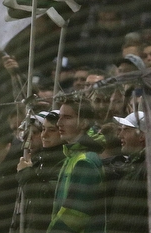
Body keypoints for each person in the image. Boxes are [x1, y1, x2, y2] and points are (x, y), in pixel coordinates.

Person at [48, 96, 105, 233]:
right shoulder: (72, 157)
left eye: (67, 117)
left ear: (84, 123)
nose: (59, 123)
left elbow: (75, 215)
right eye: (59, 117)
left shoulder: (85, 161)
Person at [15, 111, 66, 233]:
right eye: (43, 129)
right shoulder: (37, 160)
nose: (44, 135)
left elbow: (45, 200)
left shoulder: (64, 160)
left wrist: (26, 174)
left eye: (51, 130)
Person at [108, 111, 148, 233]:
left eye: (126, 130)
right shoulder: (133, 165)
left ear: (142, 136)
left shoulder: (148, 168)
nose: (120, 135)